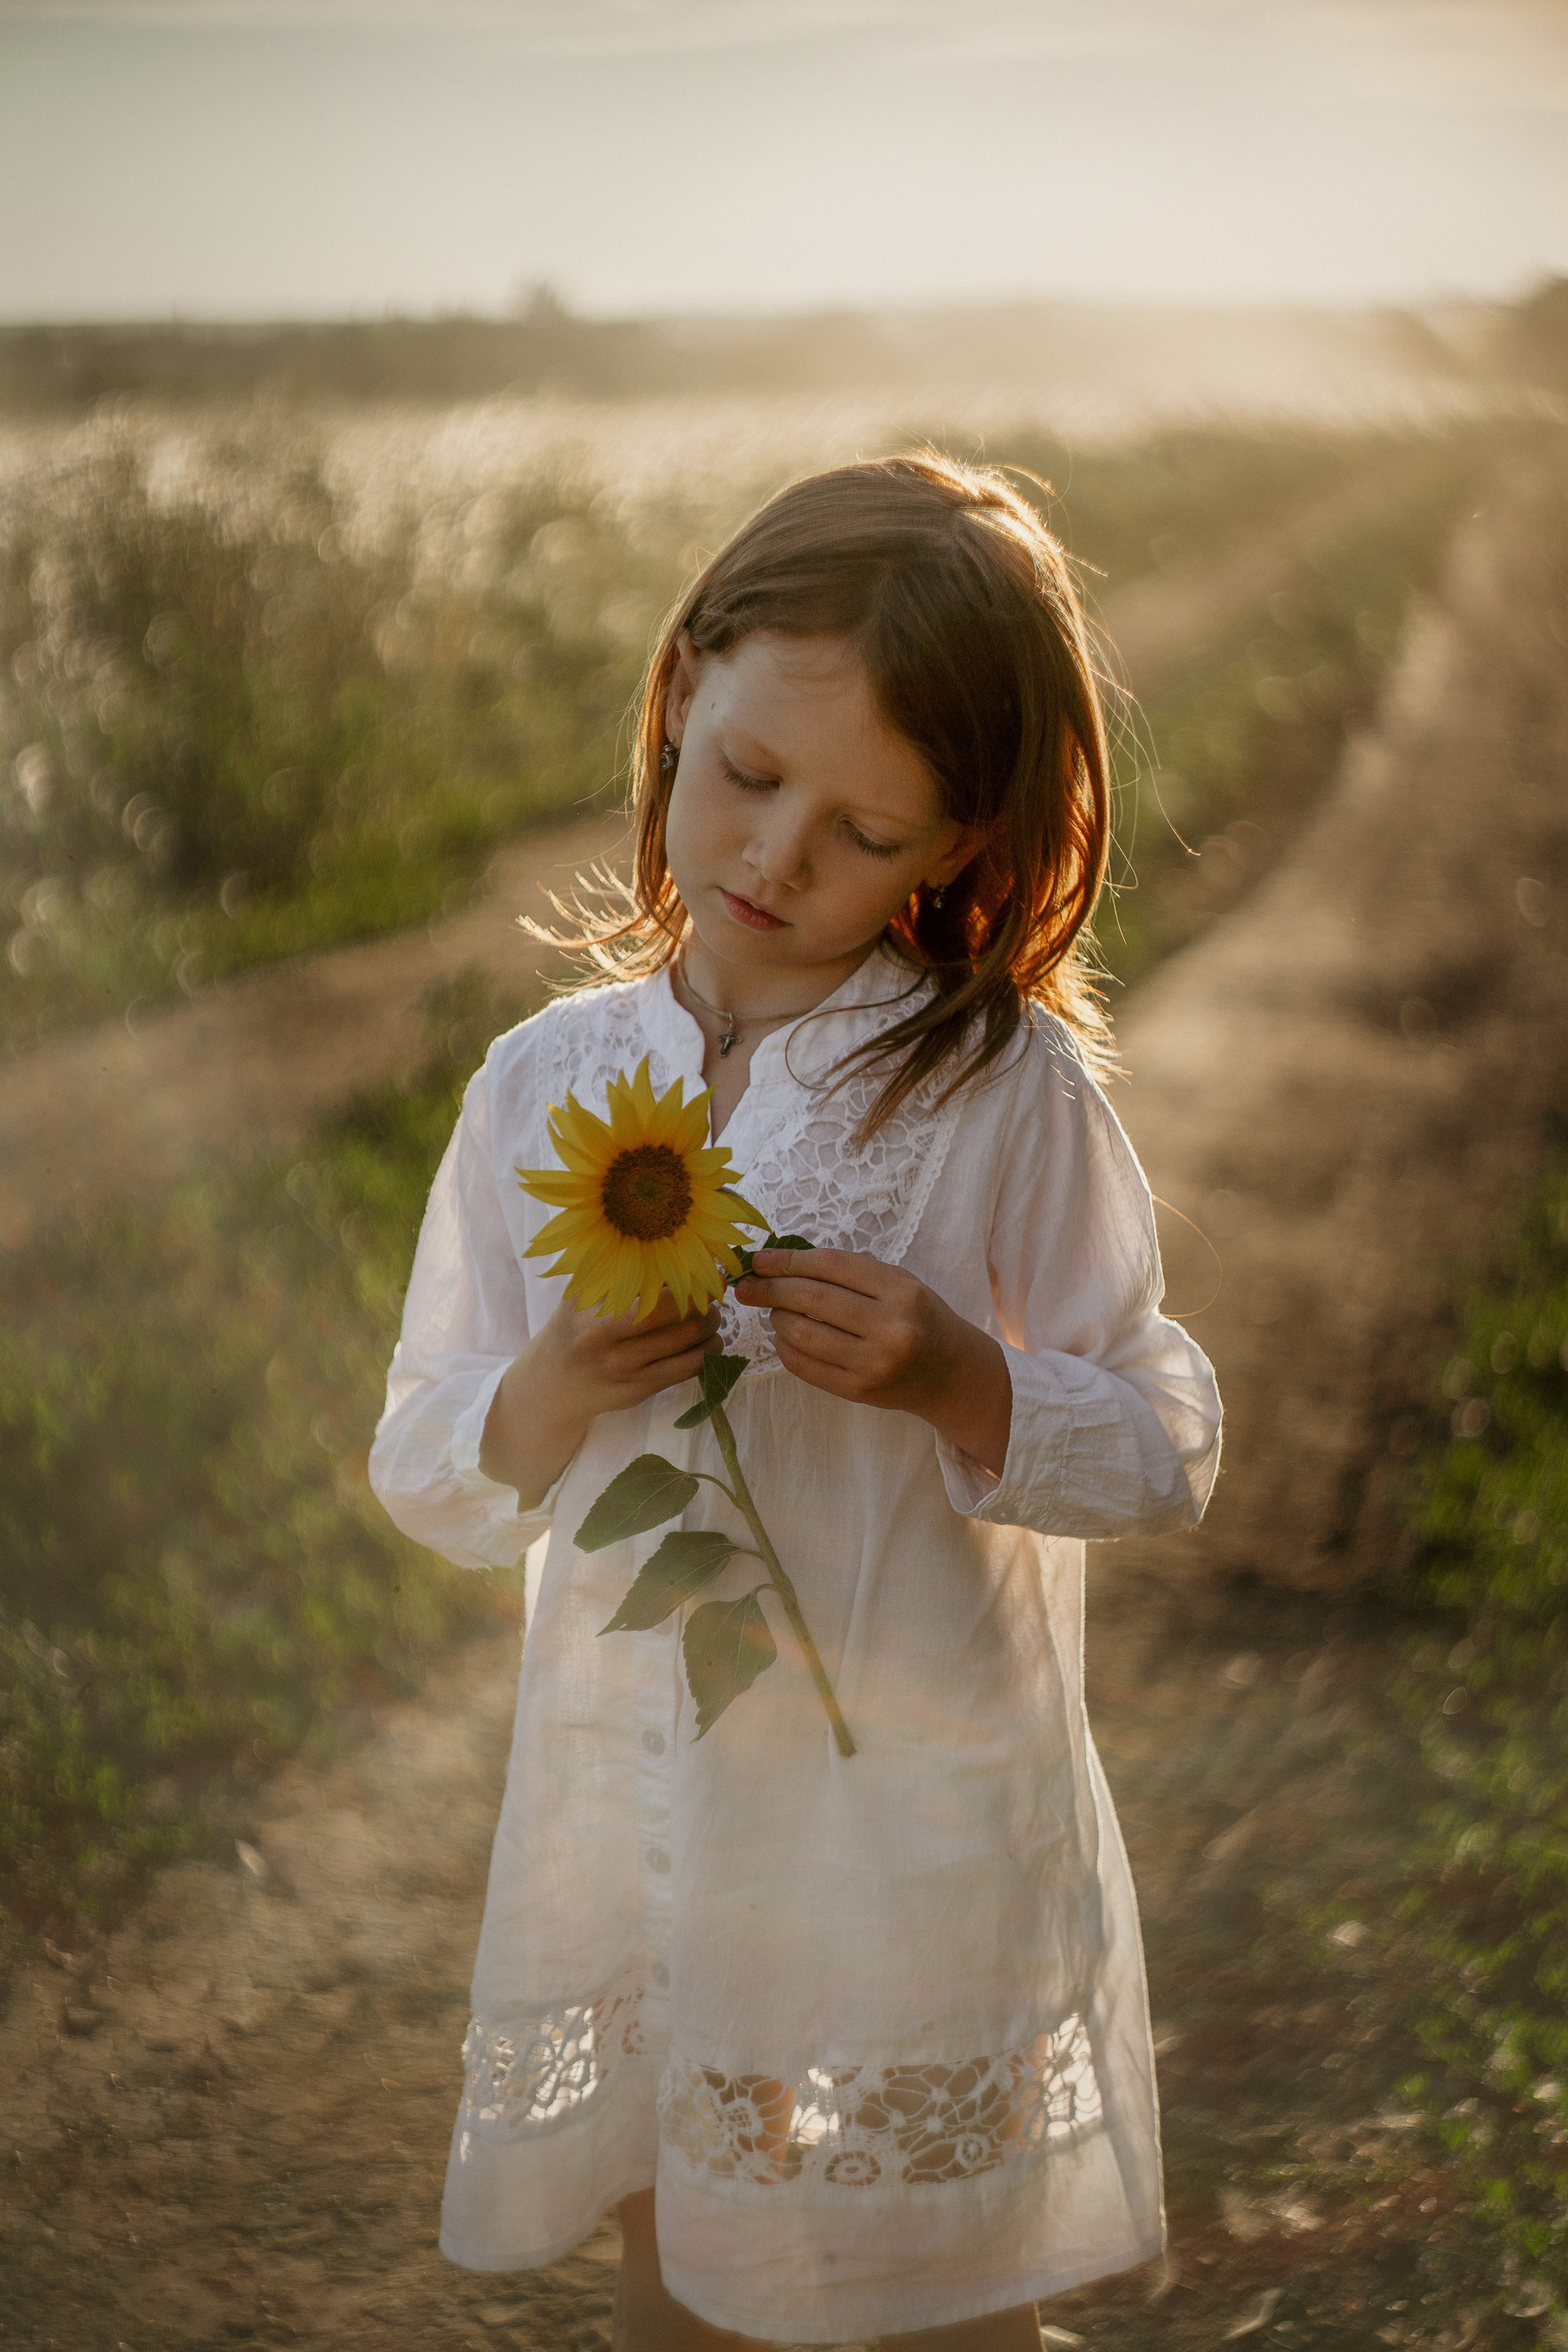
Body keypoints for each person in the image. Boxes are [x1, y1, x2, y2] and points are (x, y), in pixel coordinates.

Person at [369, 453, 1223, 2350]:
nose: (772, 859)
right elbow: (429, 1450)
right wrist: (541, 1393)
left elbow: (1165, 1437)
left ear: (956, 852)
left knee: (930, 2287)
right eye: (750, 777)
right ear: (682, 688)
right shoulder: (543, 1084)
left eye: (861, 830)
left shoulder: (998, 1095)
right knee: (676, 2257)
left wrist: (963, 1377)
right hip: (642, 1833)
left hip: (905, 1847)